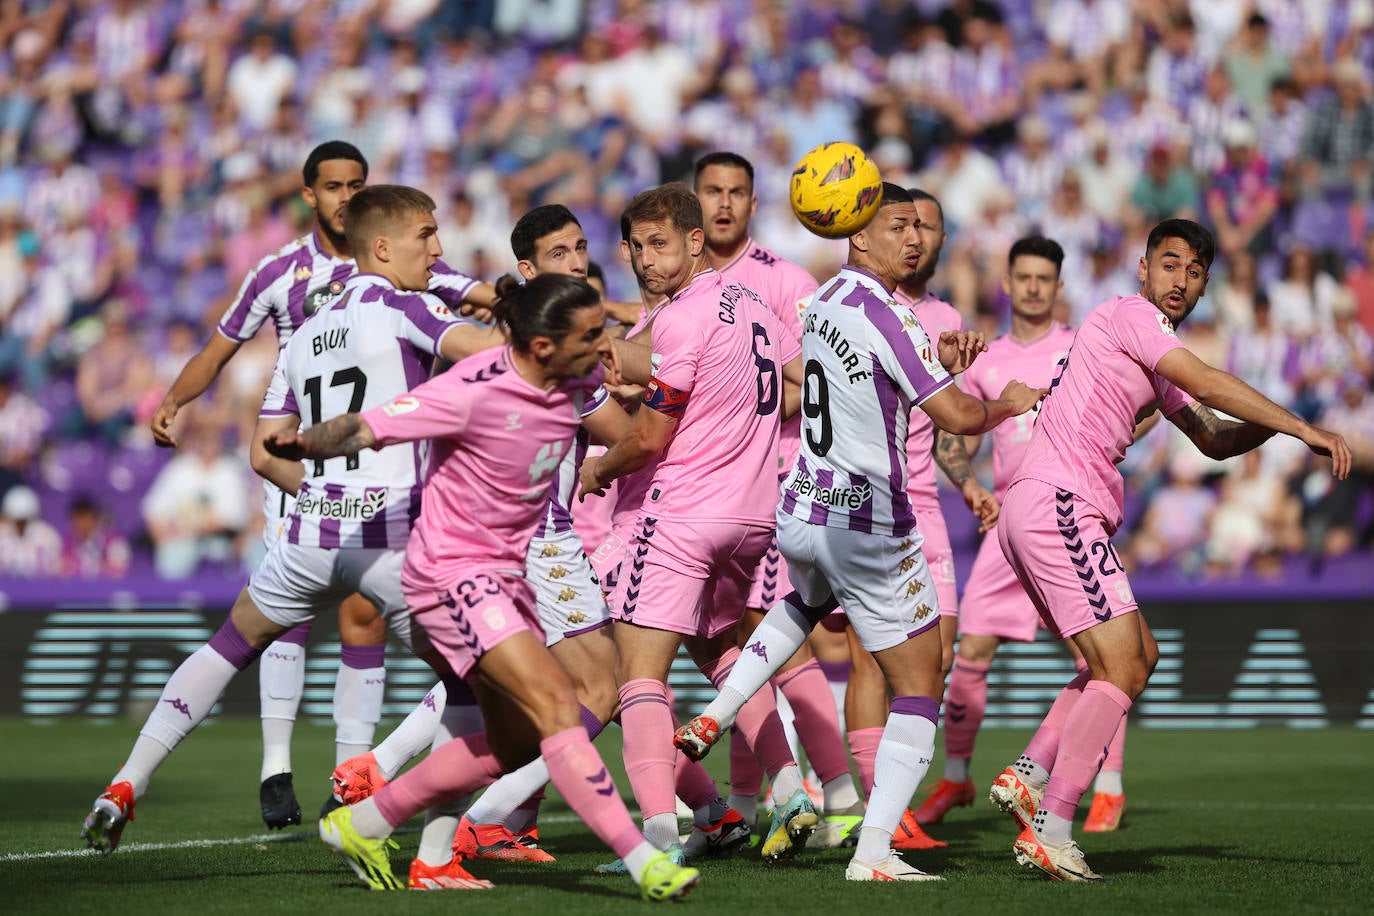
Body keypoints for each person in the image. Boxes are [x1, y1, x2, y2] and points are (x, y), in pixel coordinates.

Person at [79, 184, 501, 860]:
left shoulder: (303, 334)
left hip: (308, 534)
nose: (439, 248)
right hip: (390, 540)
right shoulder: (405, 307)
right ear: (384, 246)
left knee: (226, 647)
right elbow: (491, 356)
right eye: (427, 235)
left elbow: (266, 448)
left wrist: (326, 493)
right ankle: (430, 856)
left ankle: (126, 783)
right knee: (480, 683)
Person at [288, 272, 701, 901]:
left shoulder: (577, 374)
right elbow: (367, 428)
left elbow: (652, 366)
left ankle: (366, 821)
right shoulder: (471, 389)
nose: (605, 346)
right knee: (560, 706)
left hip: (507, 578)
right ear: (542, 348)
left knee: (512, 744)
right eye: (591, 336)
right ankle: (647, 859)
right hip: (450, 573)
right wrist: (297, 443)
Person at [674, 183, 1045, 882]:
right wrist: (1007, 403)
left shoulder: (822, 301)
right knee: (918, 684)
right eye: (898, 226)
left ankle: (719, 710)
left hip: (803, 510)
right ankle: (874, 852)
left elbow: (874, 383)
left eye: (918, 227)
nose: (913, 238)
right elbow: (961, 418)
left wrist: (947, 369)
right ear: (860, 235)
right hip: (866, 521)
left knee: (803, 605)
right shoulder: (888, 312)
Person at [990, 218, 1351, 882]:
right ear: (1143, 268)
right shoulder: (1131, 316)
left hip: (1045, 502)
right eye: (1170, 263)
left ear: (1206, 283)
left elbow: (1213, 437)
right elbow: (1212, 383)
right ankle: (1053, 825)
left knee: (1135, 658)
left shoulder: (1148, 352)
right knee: (1122, 664)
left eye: (1193, 271)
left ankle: (1030, 774)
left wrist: (1271, 426)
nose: (1180, 279)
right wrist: (1301, 426)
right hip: (1059, 501)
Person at [577, 183, 813, 864]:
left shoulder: (680, 318)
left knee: (638, 677)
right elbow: (784, 388)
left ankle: (658, 833)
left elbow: (650, 439)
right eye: (637, 247)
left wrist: (599, 471)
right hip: (752, 516)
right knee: (725, 658)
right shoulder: (759, 309)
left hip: (685, 514)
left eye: (659, 244)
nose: (646, 261)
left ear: (694, 241)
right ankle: (792, 789)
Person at [915, 236, 1130, 832]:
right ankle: (956, 777)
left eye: (1044, 278)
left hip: (1068, 514)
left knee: (1103, 655)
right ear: (1007, 283)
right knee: (969, 655)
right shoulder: (988, 360)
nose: (1034, 287)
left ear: (1059, 287)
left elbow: (1139, 398)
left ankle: (1106, 787)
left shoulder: (1082, 347)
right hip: (1008, 522)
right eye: (1024, 277)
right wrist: (968, 486)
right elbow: (955, 436)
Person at [693, 151, 864, 846]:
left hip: (777, 479)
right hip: (713, 481)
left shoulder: (786, 280)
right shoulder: (681, 273)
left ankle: (837, 792)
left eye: (737, 192)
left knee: (769, 637)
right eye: (712, 192)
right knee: (735, 638)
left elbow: (812, 385)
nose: (725, 204)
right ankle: (747, 799)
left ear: (755, 203)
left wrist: (740, 391)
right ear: (692, 200)